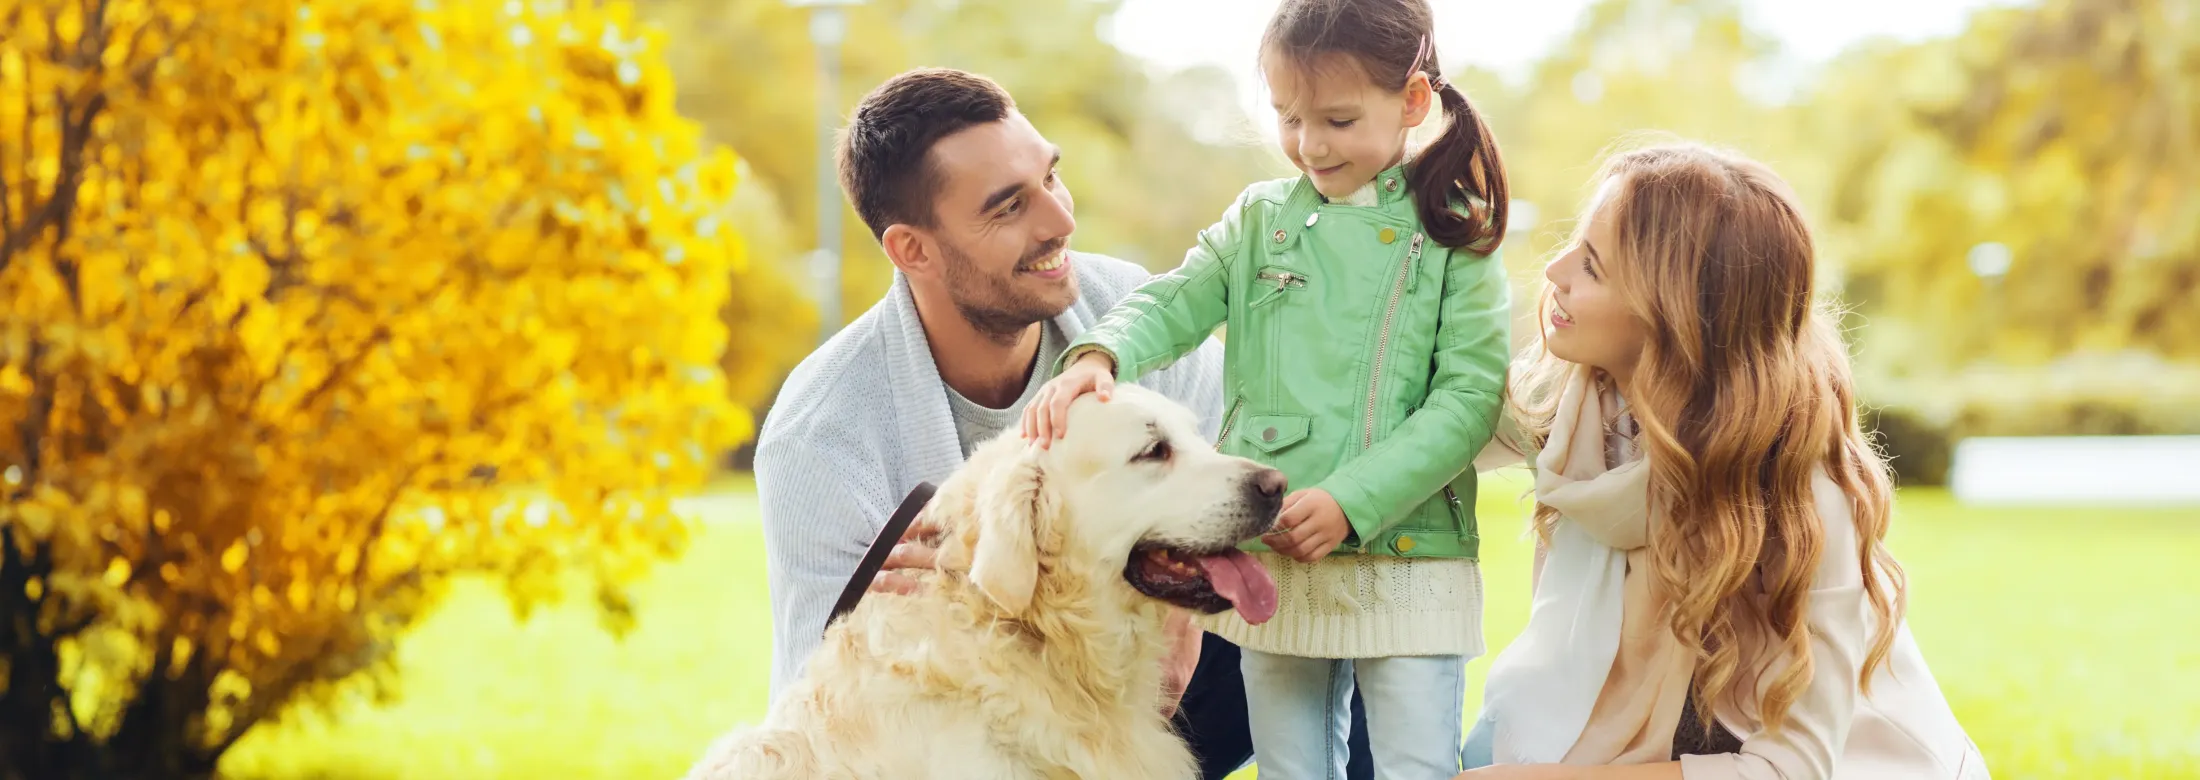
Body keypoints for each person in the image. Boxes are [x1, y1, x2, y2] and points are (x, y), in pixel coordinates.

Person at [751, 67, 1375, 780]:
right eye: (1008, 206)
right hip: (968, 701)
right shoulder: (822, 435)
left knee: (1327, 612)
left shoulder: (1132, 309)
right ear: (912, 250)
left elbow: (1245, 477)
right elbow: (825, 703)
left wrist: (1176, 602)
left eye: (1052, 178)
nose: (1059, 222)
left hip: (1160, 647)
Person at [1022, 0, 1513, 775]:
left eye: (1338, 120)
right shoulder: (1259, 221)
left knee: (1417, 766)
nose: (1309, 145)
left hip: (1411, 551)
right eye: (1288, 117)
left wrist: (1354, 500)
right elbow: (1174, 298)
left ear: (1414, 101)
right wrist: (1101, 353)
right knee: (1290, 766)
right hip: (1277, 549)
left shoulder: (1457, 233)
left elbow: (1468, 400)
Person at [1457, 142, 1988, 779]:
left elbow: (1793, 769)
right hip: (1635, 734)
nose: (1556, 272)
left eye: (1593, 267)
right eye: (1577, 244)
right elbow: (1427, 442)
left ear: (1674, 317)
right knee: (1494, 745)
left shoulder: (1800, 485)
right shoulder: (1577, 401)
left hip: (1824, 763)